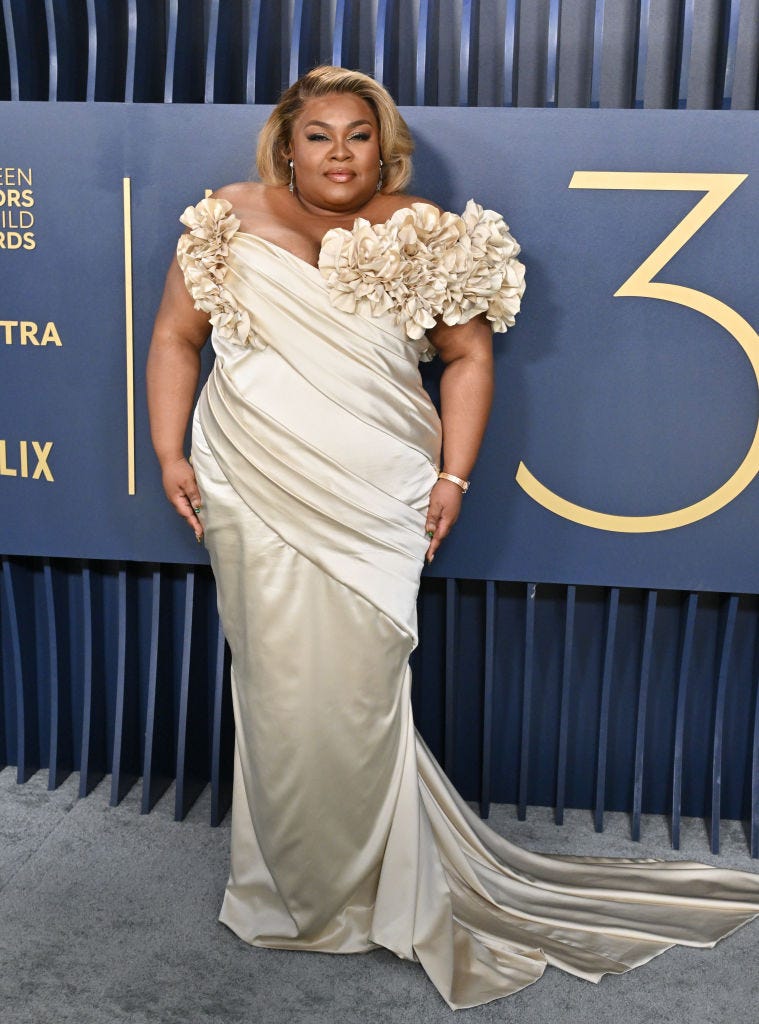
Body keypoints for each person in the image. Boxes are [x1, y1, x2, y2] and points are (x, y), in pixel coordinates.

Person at [147, 66, 759, 1011]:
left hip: (373, 492)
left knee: (355, 694)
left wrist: (452, 477)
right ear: (287, 141)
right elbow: (177, 339)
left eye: (357, 134)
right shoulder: (226, 216)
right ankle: (290, 891)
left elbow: (469, 358)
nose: (338, 152)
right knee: (272, 685)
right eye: (318, 134)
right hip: (251, 482)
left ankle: (360, 889)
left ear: (379, 144)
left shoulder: (422, 229)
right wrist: (168, 448)